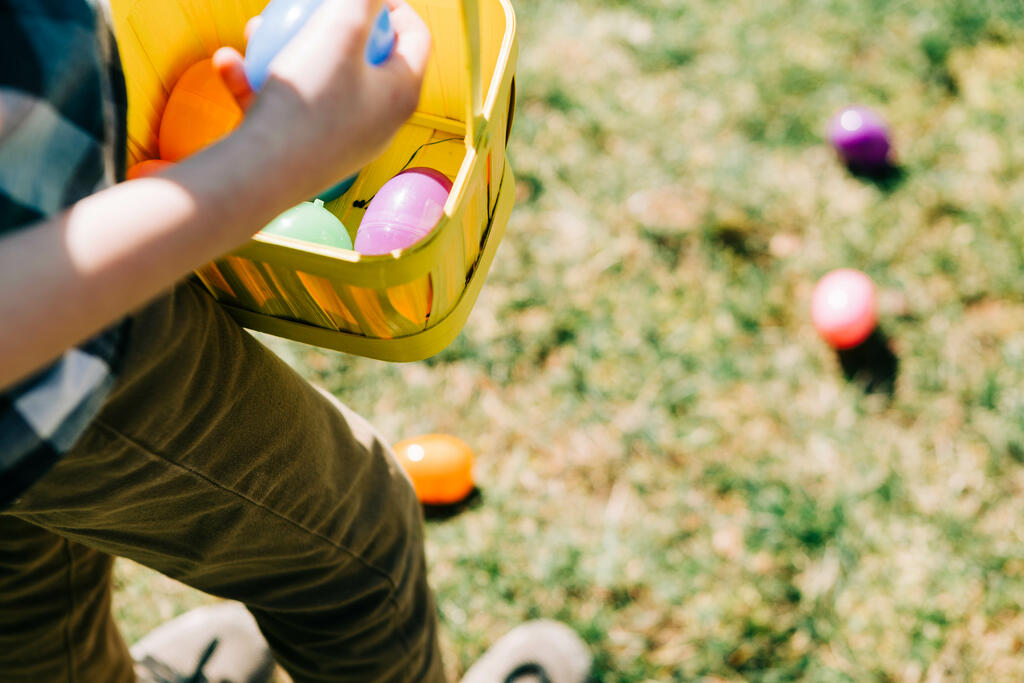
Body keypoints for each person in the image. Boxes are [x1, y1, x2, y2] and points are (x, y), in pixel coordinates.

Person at [0, 0, 591, 681]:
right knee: (351, 545)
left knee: (26, 548)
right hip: (38, 339)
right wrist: (269, 158)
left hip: (53, 214)